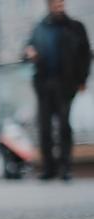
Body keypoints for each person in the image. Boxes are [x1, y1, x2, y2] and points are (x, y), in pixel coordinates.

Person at [25, 0, 91, 181]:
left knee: (63, 125)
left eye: (62, 3)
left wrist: (82, 79)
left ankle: (65, 168)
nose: (59, 7)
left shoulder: (75, 27)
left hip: (66, 84)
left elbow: (85, 54)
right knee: (44, 127)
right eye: (56, 4)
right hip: (44, 83)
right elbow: (26, 51)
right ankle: (49, 169)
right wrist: (29, 53)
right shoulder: (40, 28)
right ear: (49, 5)